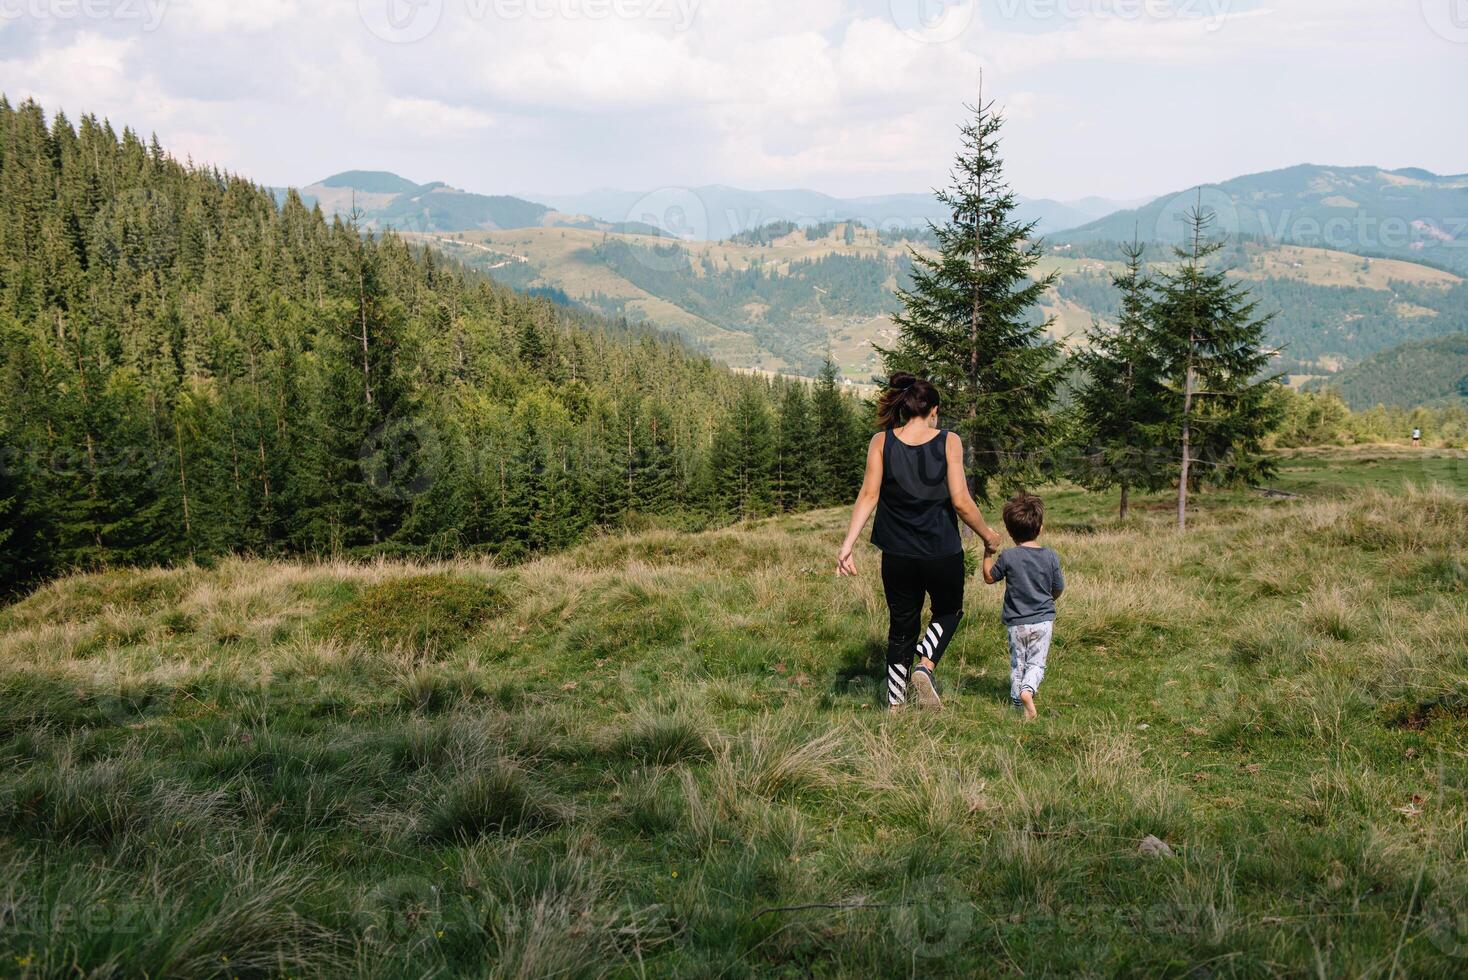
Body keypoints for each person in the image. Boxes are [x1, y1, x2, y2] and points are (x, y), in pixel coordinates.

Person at [836, 373, 1002, 711]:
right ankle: (925, 667)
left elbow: (868, 495)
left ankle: (895, 705)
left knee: (901, 627)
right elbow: (961, 502)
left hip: (897, 553)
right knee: (949, 611)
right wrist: (988, 535)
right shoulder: (948, 441)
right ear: (933, 411)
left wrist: (847, 545)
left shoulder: (880, 442)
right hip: (941, 550)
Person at [983, 492, 1065, 721]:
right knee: (1036, 664)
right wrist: (1048, 600)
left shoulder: (1008, 556)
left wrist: (988, 552)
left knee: (1018, 664)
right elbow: (1058, 587)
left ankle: (1018, 704)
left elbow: (989, 577)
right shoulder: (1050, 556)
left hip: (1016, 623)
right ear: (1040, 528)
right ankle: (1028, 691)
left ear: (1010, 531)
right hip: (1043, 621)